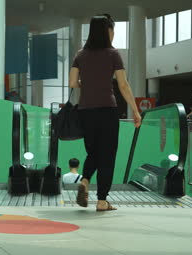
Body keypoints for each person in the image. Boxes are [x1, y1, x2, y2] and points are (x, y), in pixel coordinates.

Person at [69, 14, 141, 211]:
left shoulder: (80, 55)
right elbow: (123, 85)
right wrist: (135, 110)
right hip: (107, 110)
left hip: (85, 111)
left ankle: (85, 181)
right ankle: (102, 200)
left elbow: (73, 83)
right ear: (107, 31)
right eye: (112, 30)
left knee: (93, 152)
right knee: (107, 155)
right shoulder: (112, 54)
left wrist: (88, 84)